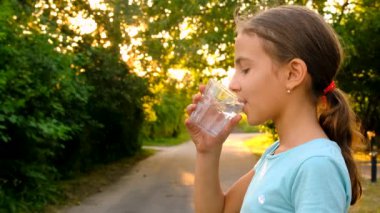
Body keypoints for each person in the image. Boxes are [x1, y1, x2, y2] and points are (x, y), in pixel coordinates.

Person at [185, 5, 363, 213]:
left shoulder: (316, 164)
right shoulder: (277, 154)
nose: (233, 84)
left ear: (292, 74)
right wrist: (208, 151)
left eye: (245, 69)